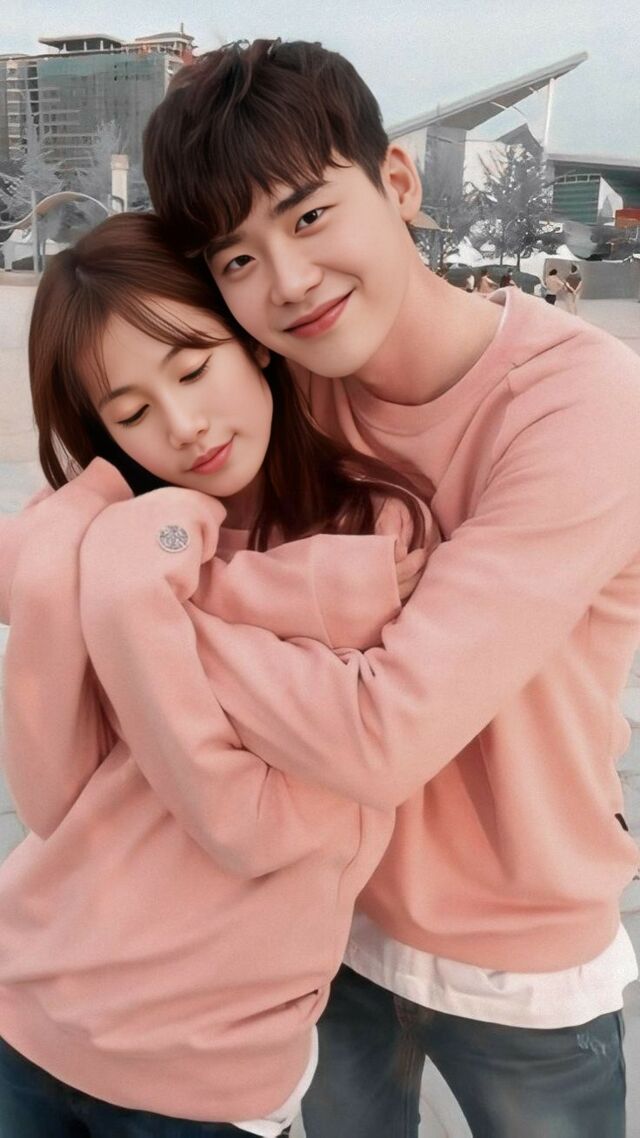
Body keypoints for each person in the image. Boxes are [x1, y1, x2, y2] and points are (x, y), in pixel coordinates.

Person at [143, 38, 640, 1138]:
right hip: (319, 929)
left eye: (310, 215)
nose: (287, 281)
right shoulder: (272, 399)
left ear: (398, 183)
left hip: (515, 955)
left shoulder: (581, 404)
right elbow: (99, 534)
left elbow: (384, 735)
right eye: (237, 257)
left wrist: (146, 618)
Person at [0, 212, 436, 1136]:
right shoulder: (96, 538)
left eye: (194, 368)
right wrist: (107, 568)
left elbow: (270, 811)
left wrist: (136, 599)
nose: (184, 426)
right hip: (27, 1009)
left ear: (253, 342)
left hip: (206, 1069)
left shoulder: (374, 535)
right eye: (131, 414)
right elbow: (48, 793)